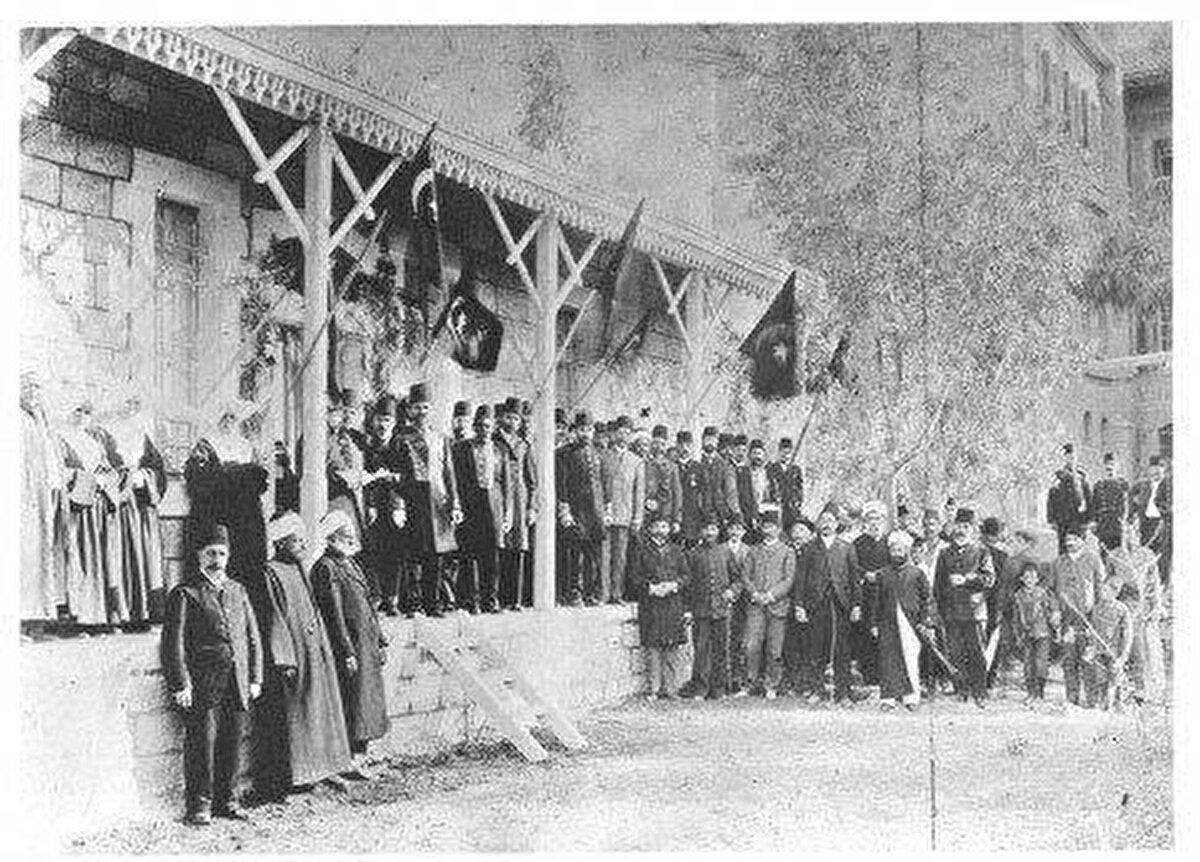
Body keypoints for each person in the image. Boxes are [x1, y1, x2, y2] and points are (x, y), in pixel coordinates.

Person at [162, 523, 263, 825]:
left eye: (221, 553)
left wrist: (255, 677)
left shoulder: (238, 591)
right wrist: (181, 683)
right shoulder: (185, 594)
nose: (216, 559)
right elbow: (173, 643)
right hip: (204, 684)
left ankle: (227, 800)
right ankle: (199, 805)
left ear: (228, 556)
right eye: (210, 554)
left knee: (232, 741)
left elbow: (253, 636)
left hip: (237, 680)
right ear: (199, 557)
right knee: (202, 744)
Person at [258, 512, 352, 798]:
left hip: (316, 649)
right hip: (296, 653)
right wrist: (284, 657)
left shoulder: (300, 567)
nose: (301, 545)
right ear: (280, 544)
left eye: (301, 540)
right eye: (295, 540)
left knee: (323, 709)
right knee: (301, 714)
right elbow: (275, 617)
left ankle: (327, 767)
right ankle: (302, 774)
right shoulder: (271, 571)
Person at [311, 510, 388, 777]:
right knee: (351, 700)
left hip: (366, 644)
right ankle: (348, 759)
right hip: (350, 647)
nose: (351, 540)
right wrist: (345, 650)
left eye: (351, 536)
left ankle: (361, 755)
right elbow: (333, 613)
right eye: (345, 536)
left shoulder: (351, 564)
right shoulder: (326, 567)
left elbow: (367, 604)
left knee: (367, 702)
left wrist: (380, 639)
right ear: (332, 538)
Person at [184, 400, 270, 626]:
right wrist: (228, 475)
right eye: (225, 418)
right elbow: (195, 479)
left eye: (233, 418)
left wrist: (242, 474)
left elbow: (261, 481)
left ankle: (248, 607)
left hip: (244, 513)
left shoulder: (246, 446)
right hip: (217, 510)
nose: (229, 423)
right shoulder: (206, 445)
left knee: (246, 556)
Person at [395, 383, 462, 617]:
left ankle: (433, 604)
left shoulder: (441, 438)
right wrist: (398, 505)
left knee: (437, 555)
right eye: (417, 407)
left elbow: (449, 473)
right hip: (413, 501)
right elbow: (395, 473)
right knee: (414, 554)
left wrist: (455, 503)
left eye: (425, 407)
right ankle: (413, 605)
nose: (422, 412)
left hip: (438, 501)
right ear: (410, 410)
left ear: (431, 409)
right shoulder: (402, 437)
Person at [793, 502, 864, 704]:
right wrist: (799, 606)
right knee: (816, 648)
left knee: (842, 649)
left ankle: (843, 692)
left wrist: (856, 605)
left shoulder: (847, 547)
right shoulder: (808, 548)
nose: (826, 524)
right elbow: (801, 579)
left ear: (836, 524)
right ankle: (818, 689)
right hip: (816, 604)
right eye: (823, 521)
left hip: (841, 604)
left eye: (830, 521)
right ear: (817, 524)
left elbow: (853, 579)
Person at [57, 400, 115, 625]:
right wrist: (89, 480)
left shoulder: (94, 443)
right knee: (78, 556)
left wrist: (104, 481)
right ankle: (76, 617)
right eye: (78, 410)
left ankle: (97, 617)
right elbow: (61, 472)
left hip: (96, 507)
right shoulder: (61, 439)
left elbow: (108, 470)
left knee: (97, 559)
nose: (82, 416)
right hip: (76, 508)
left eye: (88, 412)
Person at [932, 508, 995, 707]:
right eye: (959, 526)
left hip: (974, 611)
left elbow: (989, 579)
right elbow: (938, 586)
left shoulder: (981, 551)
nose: (961, 530)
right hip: (951, 612)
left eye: (966, 526)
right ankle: (961, 689)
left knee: (976, 652)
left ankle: (980, 692)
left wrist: (967, 579)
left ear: (973, 529)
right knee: (955, 653)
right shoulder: (944, 553)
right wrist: (939, 612)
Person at [20, 371, 65, 626]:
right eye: (28, 388)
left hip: (41, 499)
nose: (34, 394)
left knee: (37, 558)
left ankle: (34, 617)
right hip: (24, 500)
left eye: (37, 388)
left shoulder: (40, 420)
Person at [630, 512, 691, 699]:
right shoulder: (641, 550)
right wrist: (651, 588)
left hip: (673, 603)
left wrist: (674, 585)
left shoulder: (677, 551)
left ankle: (671, 689)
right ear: (649, 529)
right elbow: (634, 577)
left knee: (672, 648)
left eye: (664, 526)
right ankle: (653, 689)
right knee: (653, 647)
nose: (661, 530)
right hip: (651, 604)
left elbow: (687, 576)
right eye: (657, 526)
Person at [873, 530, 935, 711]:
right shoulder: (882, 574)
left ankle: (911, 697)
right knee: (888, 659)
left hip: (912, 622)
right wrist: (874, 624)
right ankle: (888, 698)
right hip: (887, 621)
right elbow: (876, 601)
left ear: (907, 551)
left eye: (900, 550)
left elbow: (927, 600)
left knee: (910, 657)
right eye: (893, 550)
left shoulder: (917, 574)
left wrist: (925, 621)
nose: (896, 553)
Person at [738, 505, 795, 699]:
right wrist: (755, 594)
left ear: (779, 529)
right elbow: (745, 576)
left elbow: (789, 579)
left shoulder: (787, 551)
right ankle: (750, 683)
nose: (768, 530)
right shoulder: (753, 551)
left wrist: (771, 595)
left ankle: (772, 684)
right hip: (756, 606)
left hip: (777, 606)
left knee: (774, 648)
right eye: (765, 527)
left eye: (772, 527)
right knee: (751, 646)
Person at [682, 517, 742, 700]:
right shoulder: (693, 554)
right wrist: (687, 609)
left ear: (718, 531)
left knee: (720, 650)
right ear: (701, 532)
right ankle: (700, 689)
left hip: (721, 610)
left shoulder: (725, 552)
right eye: (706, 529)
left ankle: (718, 689)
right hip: (700, 610)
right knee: (701, 650)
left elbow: (738, 579)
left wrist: (732, 591)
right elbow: (687, 584)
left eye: (713, 529)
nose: (710, 533)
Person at [1049, 523, 1105, 709]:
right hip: (1067, 619)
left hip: (1089, 618)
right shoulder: (1058, 562)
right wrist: (1055, 610)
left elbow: (1100, 590)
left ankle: (1092, 701)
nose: (1070, 543)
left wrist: (1098, 617)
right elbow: (1052, 590)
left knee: (1088, 658)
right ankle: (1071, 700)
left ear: (1083, 540)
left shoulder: (1093, 559)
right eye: (1067, 540)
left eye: (1074, 539)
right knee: (1069, 659)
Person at [360, 395, 407, 615]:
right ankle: (376, 596)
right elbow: (364, 478)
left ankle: (393, 599)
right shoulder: (367, 446)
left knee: (395, 552)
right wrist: (369, 504)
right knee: (374, 550)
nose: (382, 425)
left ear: (394, 423)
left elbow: (407, 476)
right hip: (374, 506)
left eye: (387, 420)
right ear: (373, 421)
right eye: (379, 419)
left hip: (396, 505)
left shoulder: (400, 445)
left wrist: (400, 505)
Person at [458, 405, 506, 613]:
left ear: (493, 427)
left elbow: (504, 483)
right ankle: (472, 601)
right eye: (479, 426)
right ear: (474, 428)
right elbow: (457, 479)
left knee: (491, 557)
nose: (483, 430)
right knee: (470, 555)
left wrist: (506, 513)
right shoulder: (462, 448)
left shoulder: (499, 450)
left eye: (487, 426)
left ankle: (490, 599)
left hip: (494, 507)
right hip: (471, 507)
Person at [495, 398, 537, 610]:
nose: (512, 422)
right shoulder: (493, 442)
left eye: (516, 419)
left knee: (518, 548)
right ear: (501, 418)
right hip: (498, 499)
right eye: (509, 417)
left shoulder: (523, 445)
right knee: (499, 548)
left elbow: (532, 481)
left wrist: (531, 507)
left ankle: (516, 599)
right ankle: (499, 598)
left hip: (519, 501)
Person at [560, 413, 606, 605]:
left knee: (593, 556)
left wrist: (606, 510)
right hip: (576, 511)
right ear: (575, 431)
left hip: (595, 512)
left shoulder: (597, 453)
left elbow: (603, 483)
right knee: (575, 556)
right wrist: (565, 511)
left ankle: (591, 593)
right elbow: (561, 484)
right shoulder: (564, 453)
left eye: (588, 430)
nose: (585, 434)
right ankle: (575, 593)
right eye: (581, 430)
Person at [602, 415, 645, 604]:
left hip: (625, 516)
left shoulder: (636, 461)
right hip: (605, 515)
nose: (623, 435)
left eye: (627, 433)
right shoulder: (603, 456)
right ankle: (602, 594)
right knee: (604, 556)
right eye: (620, 431)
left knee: (620, 558)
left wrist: (637, 517)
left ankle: (616, 594)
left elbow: (639, 492)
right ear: (614, 433)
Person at [1010, 561, 1060, 703]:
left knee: (1041, 663)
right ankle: (1030, 692)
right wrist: (1017, 634)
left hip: (1042, 633)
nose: (1029, 580)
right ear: (1021, 579)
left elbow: (1054, 609)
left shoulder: (1044, 594)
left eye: (1032, 577)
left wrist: (1055, 618)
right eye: (1026, 577)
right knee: (1027, 664)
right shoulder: (1018, 596)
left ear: (1037, 579)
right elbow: (1015, 618)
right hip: (1025, 634)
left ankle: (1040, 693)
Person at [853, 500, 889, 688]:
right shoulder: (858, 543)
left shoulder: (890, 541)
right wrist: (865, 574)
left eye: (878, 519)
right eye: (871, 519)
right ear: (865, 522)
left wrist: (880, 575)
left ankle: (885, 678)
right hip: (865, 595)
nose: (875, 523)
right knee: (866, 634)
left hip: (886, 595)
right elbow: (852, 566)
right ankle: (868, 677)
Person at [1089, 577, 1134, 711]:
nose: (1102, 592)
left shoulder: (1122, 609)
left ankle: (1118, 705)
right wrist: (1091, 646)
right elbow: (1093, 629)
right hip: (1099, 650)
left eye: (1105, 590)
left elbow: (1127, 634)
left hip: (1114, 651)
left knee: (1115, 680)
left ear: (1115, 593)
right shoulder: (1097, 608)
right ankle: (1103, 706)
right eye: (1102, 589)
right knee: (1100, 678)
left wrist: (1123, 655)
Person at [979, 516, 1011, 689]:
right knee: (990, 641)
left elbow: (1003, 584)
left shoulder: (1001, 556)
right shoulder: (1003, 556)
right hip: (991, 604)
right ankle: (988, 678)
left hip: (987, 604)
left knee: (983, 641)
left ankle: (984, 678)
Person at [1129, 455, 1171, 587]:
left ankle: (1162, 585)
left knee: (1163, 556)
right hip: (1146, 524)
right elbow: (1132, 502)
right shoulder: (1142, 486)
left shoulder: (1170, 486)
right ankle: (1147, 585)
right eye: (1153, 471)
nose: (1156, 474)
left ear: (1164, 471)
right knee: (1146, 554)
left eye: (1159, 471)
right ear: (1149, 471)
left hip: (1163, 524)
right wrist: (1130, 517)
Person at [1047, 443, 1091, 555]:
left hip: (1078, 520)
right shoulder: (1058, 477)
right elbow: (1051, 497)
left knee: (1078, 551)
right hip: (1062, 519)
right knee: (1063, 550)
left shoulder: (1082, 478)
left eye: (1073, 458)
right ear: (1064, 459)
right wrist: (1051, 519)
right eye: (1068, 458)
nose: (1071, 460)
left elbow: (1088, 499)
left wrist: (1089, 519)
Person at [644, 424, 683, 540]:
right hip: (646, 514)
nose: (658, 447)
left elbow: (677, 494)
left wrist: (676, 520)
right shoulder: (643, 464)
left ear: (666, 446)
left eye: (662, 444)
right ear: (651, 444)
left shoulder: (672, 467)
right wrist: (646, 502)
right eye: (656, 443)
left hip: (665, 516)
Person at [736, 438, 777, 543]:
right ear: (749, 455)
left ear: (764, 455)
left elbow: (773, 497)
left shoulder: (769, 474)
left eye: (760, 453)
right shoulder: (741, 473)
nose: (757, 456)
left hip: (765, 517)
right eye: (754, 453)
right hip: (746, 517)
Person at [1089, 453, 1128, 552]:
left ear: (1117, 467)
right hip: (1103, 523)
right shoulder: (1098, 486)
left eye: (1112, 465)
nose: (1109, 467)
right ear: (1103, 467)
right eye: (1107, 465)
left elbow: (1125, 505)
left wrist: (1125, 521)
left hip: (1116, 523)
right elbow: (1094, 505)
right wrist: (1093, 521)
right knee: (1104, 550)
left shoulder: (1122, 484)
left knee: (1117, 552)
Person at [767, 437, 804, 534]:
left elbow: (800, 489)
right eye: (783, 452)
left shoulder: (796, 470)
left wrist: (797, 503)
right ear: (778, 452)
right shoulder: (771, 468)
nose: (785, 455)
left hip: (791, 509)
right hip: (776, 507)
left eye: (788, 453)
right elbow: (768, 488)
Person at [676, 430, 705, 547]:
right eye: (681, 445)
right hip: (676, 516)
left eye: (688, 445)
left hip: (693, 517)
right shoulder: (672, 467)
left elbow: (704, 495)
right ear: (676, 446)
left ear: (692, 447)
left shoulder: (699, 468)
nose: (685, 448)